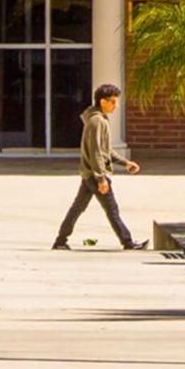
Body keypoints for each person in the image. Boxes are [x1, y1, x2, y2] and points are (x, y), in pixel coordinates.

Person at [52, 83, 148, 250]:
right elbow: (96, 151)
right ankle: (128, 242)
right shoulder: (97, 122)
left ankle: (60, 241)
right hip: (95, 175)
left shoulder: (99, 120)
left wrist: (125, 163)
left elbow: (105, 150)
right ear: (103, 101)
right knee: (112, 209)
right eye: (113, 102)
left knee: (77, 208)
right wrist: (100, 177)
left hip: (89, 174)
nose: (115, 105)